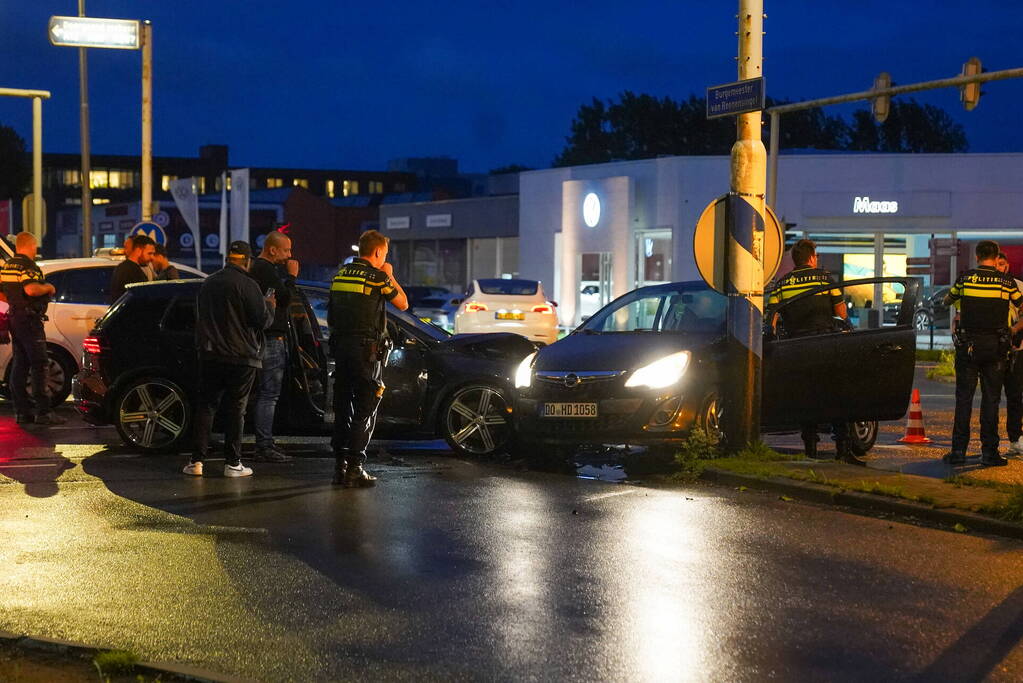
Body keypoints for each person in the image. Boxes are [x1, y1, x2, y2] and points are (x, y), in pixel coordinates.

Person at [767, 239, 862, 465]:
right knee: (837, 395)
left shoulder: (782, 284)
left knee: (806, 397)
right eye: (816, 255)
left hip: (799, 347)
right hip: (826, 343)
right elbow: (841, 312)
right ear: (811, 258)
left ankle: (810, 450)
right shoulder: (825, 278)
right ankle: (843, 449)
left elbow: (771, 319)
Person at [185, 241, 275, 478]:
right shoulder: (249, 285)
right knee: (237, 409)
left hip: (211, 354)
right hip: (242, 357)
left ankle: (196, 461)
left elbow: (199, 316)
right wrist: (270, 307)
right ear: (246, 261)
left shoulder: (208, 283)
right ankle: (233, 463)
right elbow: (262, 321)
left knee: (206, 406)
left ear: (228, 259)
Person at [328, 230, 409, 487]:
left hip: (341, 349)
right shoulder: (377, 277)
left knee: (342, 407)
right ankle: (355, 466)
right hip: (366, 353)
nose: (385, 257)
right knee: (366, 408)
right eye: (384, 253)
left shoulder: (340, 275)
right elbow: (403, 303)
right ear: (377, 252)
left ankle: (339, 465)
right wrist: (389, 274)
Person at [944, 241, 1023, 467]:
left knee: (964, 399)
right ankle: (989, 453)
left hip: (969, 347)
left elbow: (947, 300)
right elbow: (1021, 305)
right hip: (996, 348)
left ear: (977, 256)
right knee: (991, 401)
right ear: (996, 256)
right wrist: (1013, 329)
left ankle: (958, 451)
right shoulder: (1006, 282)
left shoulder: (966, 278)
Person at [0, 232, 65, 425]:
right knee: (39, 364)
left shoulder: (8, 266)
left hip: (15, 317)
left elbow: (2, 293)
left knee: (20, 364)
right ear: (31, 246)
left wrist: (15, 303)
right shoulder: (28, 265)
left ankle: (22, 412)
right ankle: (44, 412)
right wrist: (49, 288)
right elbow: (31, 289)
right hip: (29, 319)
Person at [247, 231, 298, 462]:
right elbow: (286, 298)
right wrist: (292, 277)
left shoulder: (260, 269)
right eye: (286, 250)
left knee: (265, 394)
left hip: (264, 337)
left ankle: (265, 443)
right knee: (269, 394)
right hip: (270, 339)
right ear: (272, 249)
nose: (290, 255)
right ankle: (264, 446)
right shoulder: (266, 270)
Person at [996, 252, 1023, 455]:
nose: (999, 267)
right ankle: (990, 444)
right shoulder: (986, 286)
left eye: (1002, 264)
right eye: (996, 264)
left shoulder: (1018, 286)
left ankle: (1015, 439)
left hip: (1015, 349)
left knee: (1015, 395)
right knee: (992, 397)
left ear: (1007, 265)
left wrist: (1014, 330)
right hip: (992, 349)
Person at [110, 234, 156, 302]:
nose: (152, 258)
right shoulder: (129, 270)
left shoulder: (128, 268)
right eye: (149, 253)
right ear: (138, 250)